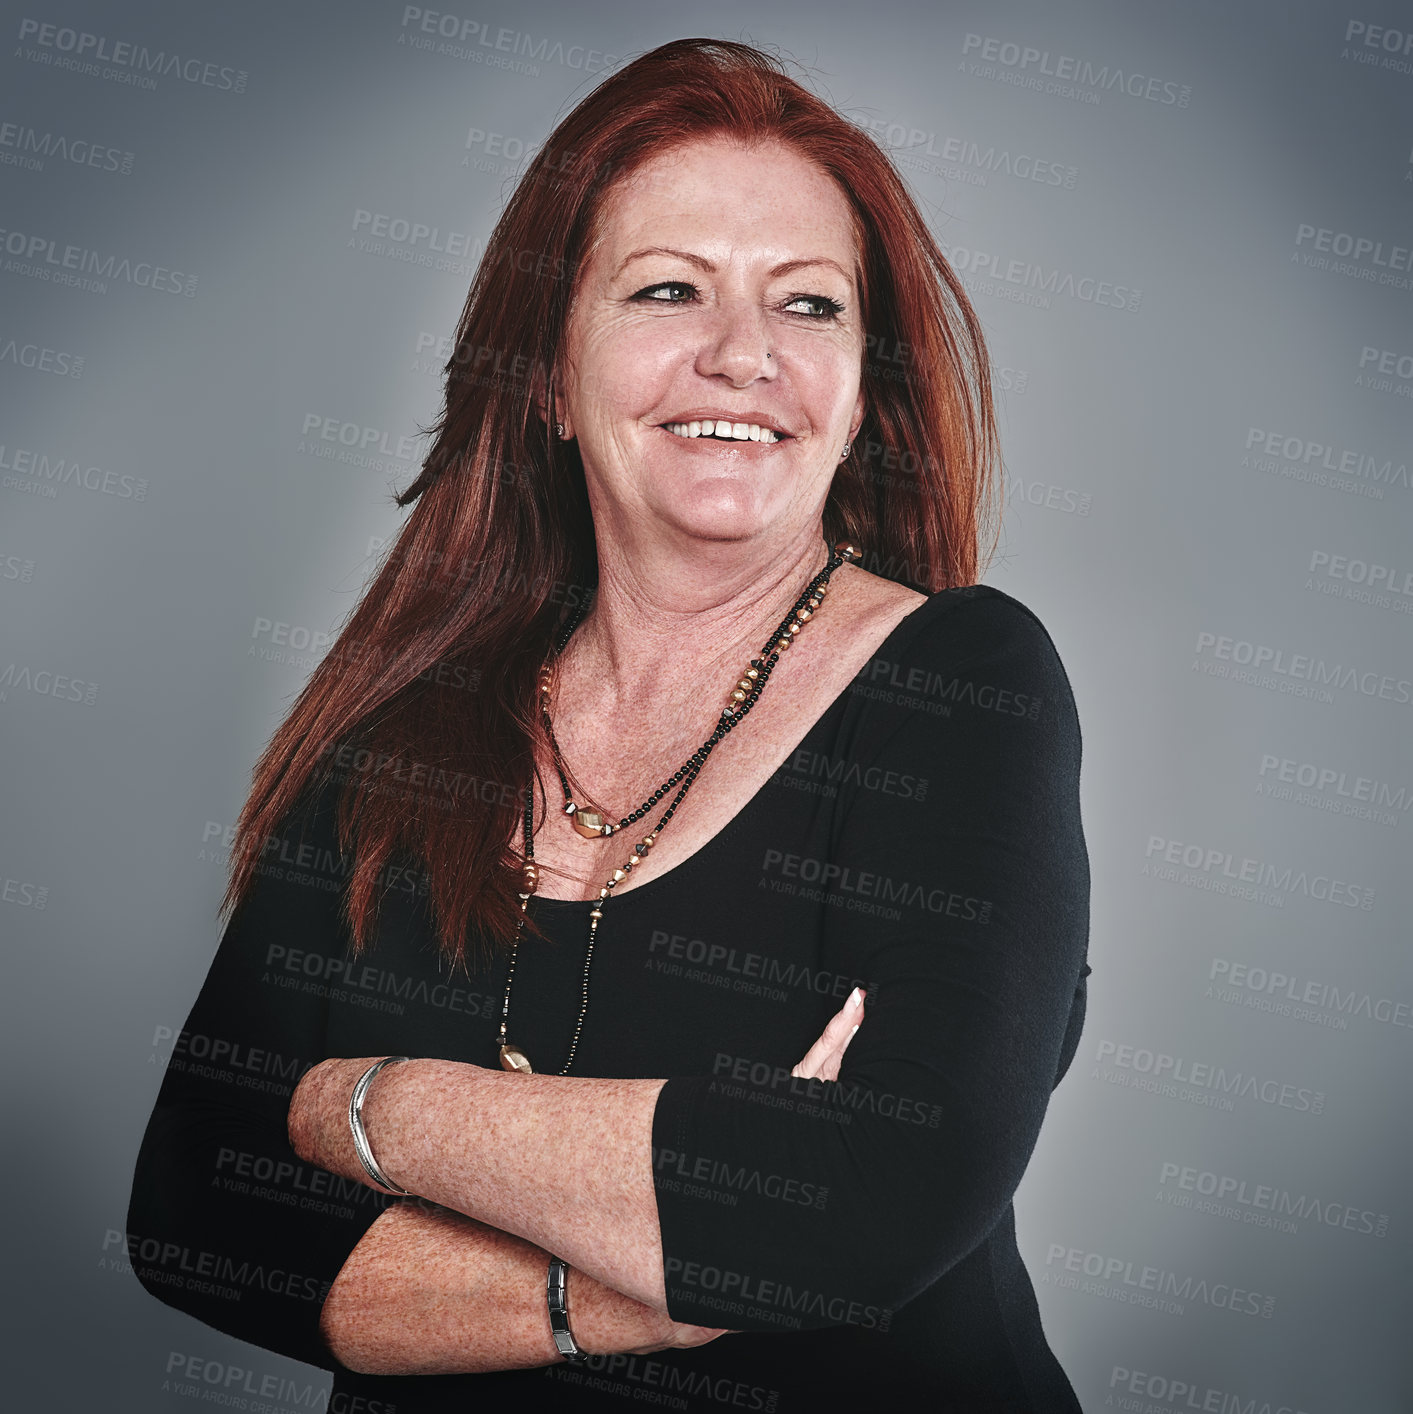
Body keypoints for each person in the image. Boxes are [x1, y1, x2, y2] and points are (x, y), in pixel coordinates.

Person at [128, 37, 1091, 1412]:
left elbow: (866, 1210)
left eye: (807, 306)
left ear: (862, 390)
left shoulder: (965, 684)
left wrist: (367, 1106)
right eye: (665, 289)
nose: (743, 354)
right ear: (543, 376)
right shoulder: (407, 730)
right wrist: (682, 1266)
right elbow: (199, 1214)